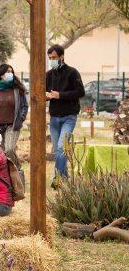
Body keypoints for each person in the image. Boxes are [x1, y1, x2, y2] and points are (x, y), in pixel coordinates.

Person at [46, 44, 85, 186]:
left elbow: (81, 92)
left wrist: (60, 95)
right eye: (49, 58)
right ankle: (66, 179)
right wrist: (46, 96)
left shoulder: (72, 72)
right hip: (54, 118)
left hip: (69, 117)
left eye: (54, 57)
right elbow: (44, 92)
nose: (51, 60)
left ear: (61, 56)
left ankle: (57, 179)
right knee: (58, 151)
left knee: (62, 149)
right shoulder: (49, 75)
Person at [0, 64, 29, 160]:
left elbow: (24, 106)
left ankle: (17, 169)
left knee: (9, 150)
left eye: (11, 72)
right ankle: (6, 174)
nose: (11, 74)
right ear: (1, 75)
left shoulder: (17, 90)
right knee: (0, 155)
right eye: (8, 72)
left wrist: (21, 118)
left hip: (12, 126)